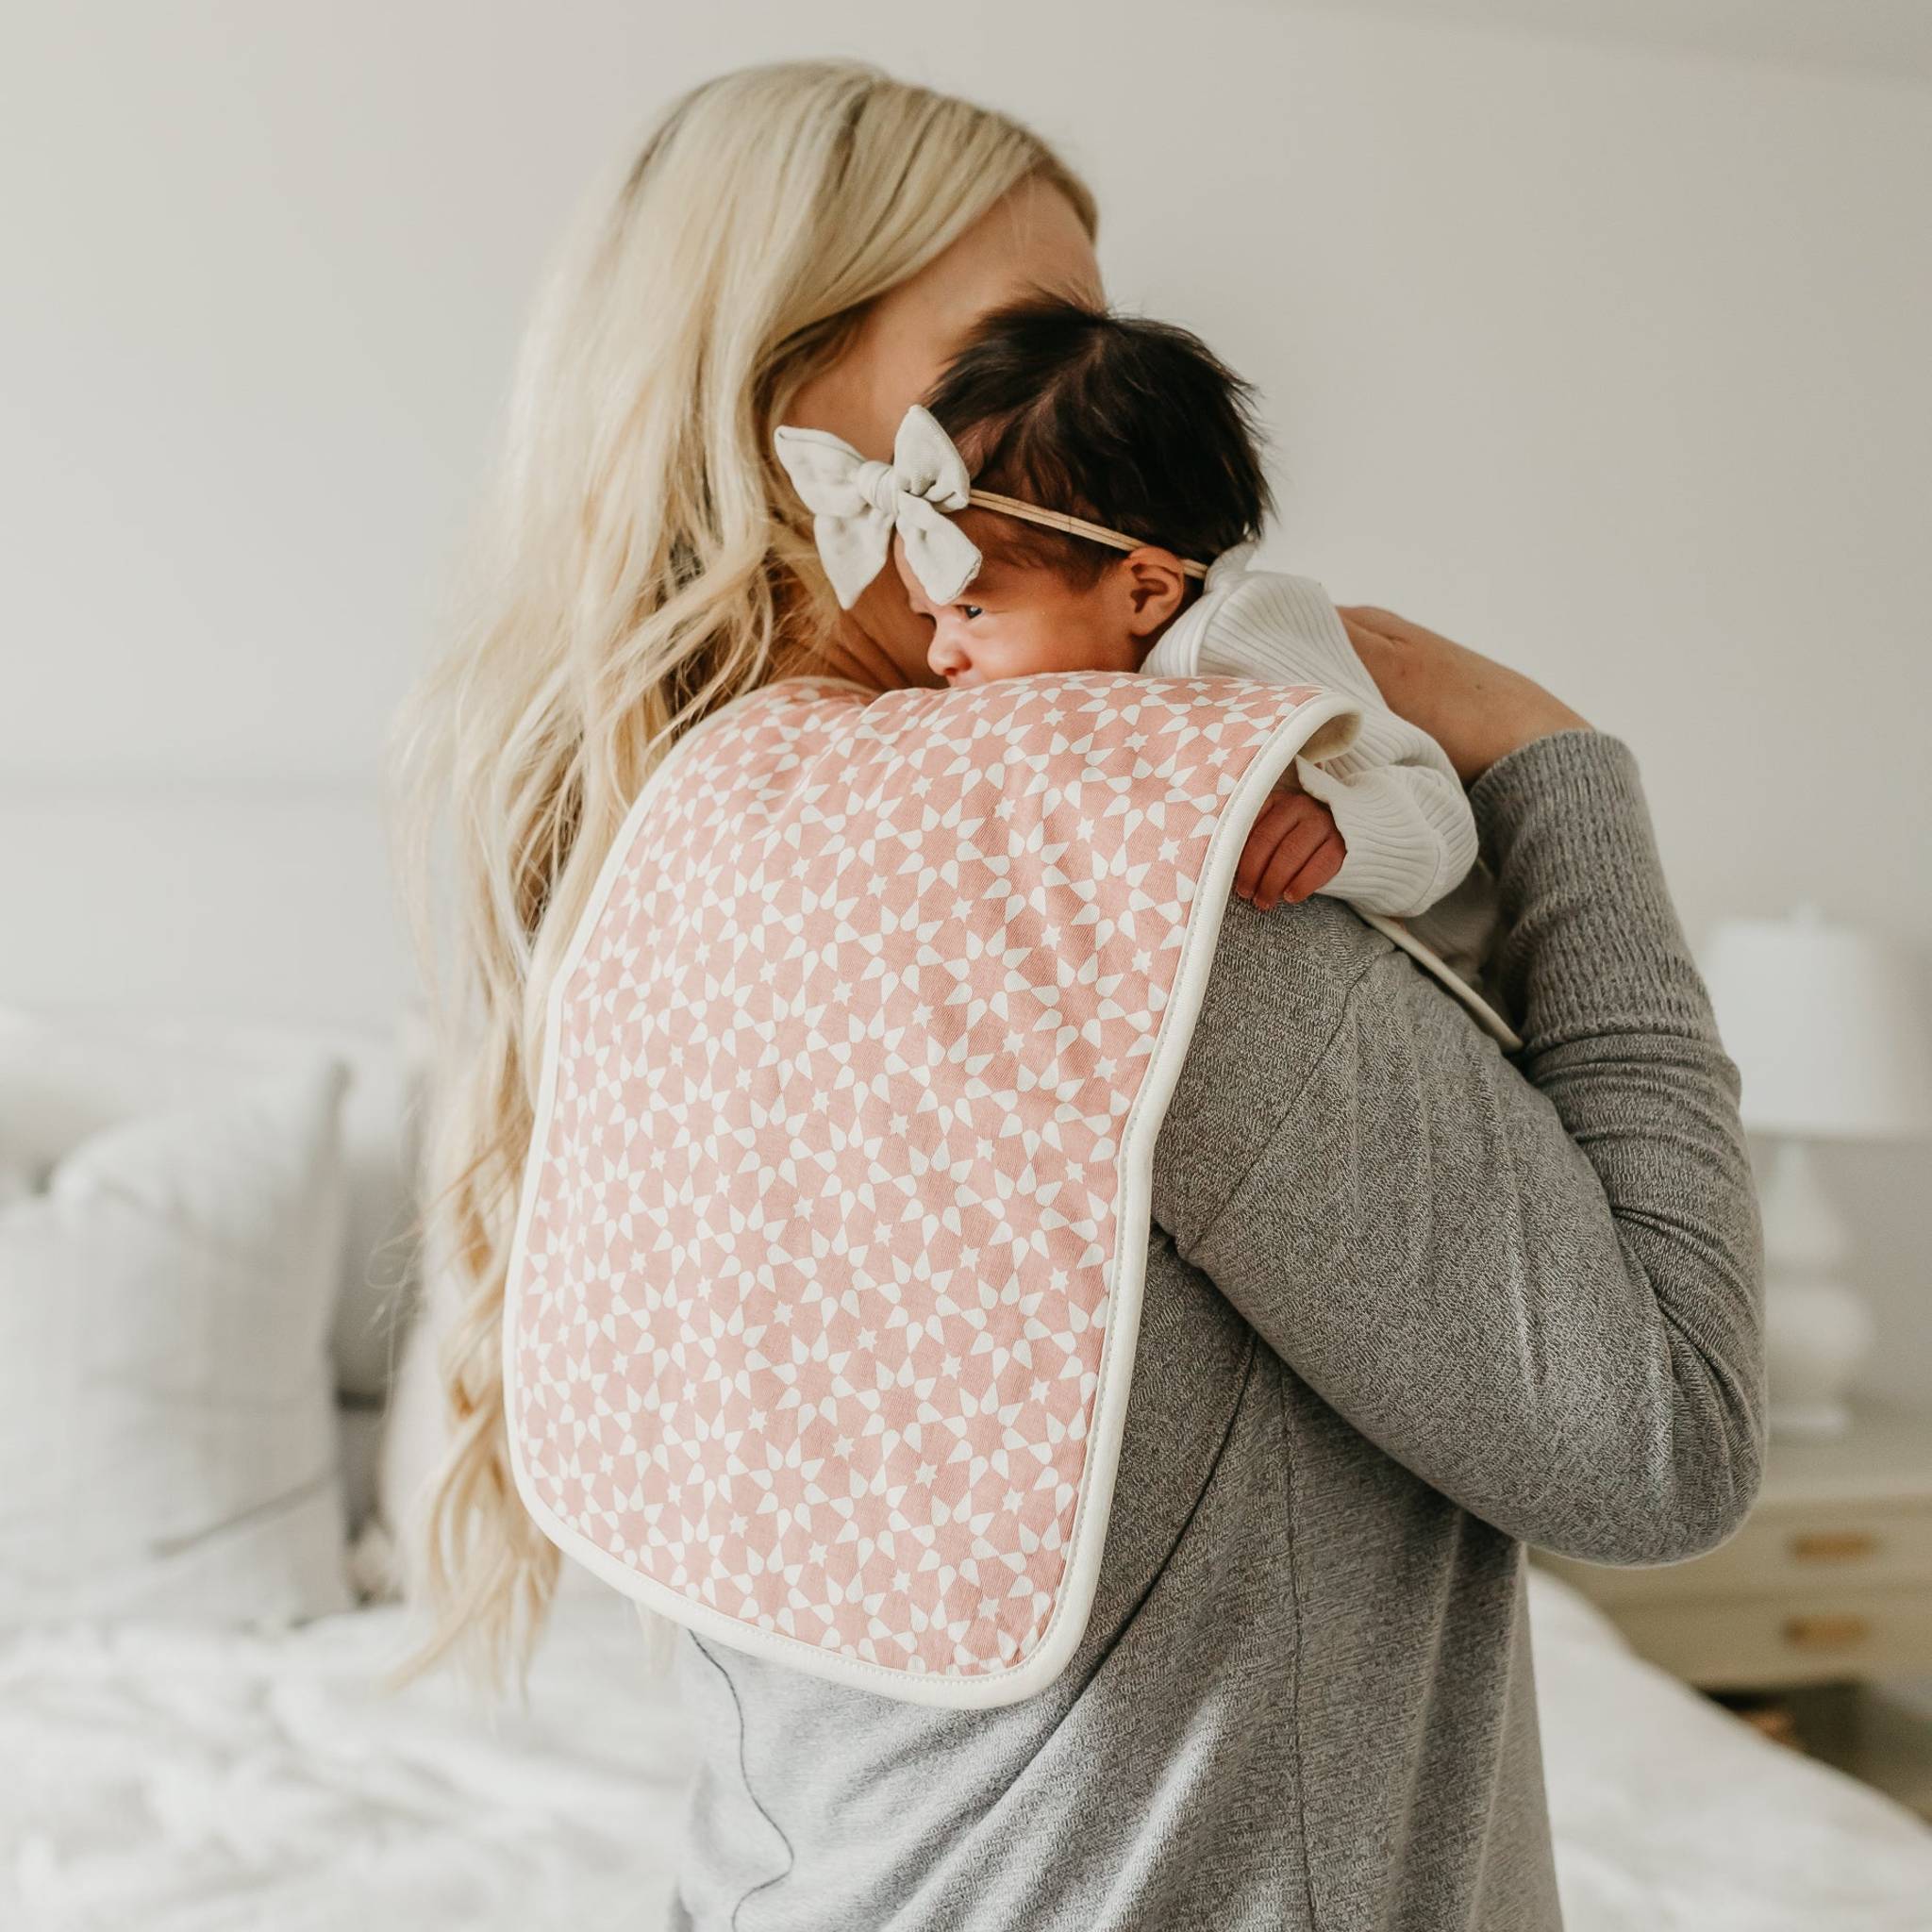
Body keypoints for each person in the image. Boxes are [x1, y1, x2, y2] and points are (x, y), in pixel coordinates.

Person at [392, 58, 1765, 1932]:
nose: (1095, 404)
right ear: (796, 400)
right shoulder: (1101, 850)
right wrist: (1546, 761)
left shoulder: (660, 840)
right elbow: (1655, 1432)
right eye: (1027, 342)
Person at [772, 294, 1497, 980]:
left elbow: (1438, 811)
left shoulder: (1235, 636)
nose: (939, 655)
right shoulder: (1055, 709)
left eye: (972, 613)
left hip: (1443, 976)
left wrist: (1346, 828)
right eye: (928, 619)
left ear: (1145, 592)